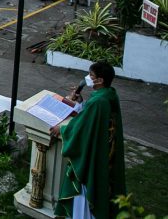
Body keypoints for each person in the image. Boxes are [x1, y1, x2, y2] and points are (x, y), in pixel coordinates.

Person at [50, 62, 126, 219]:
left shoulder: (98, 101)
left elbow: (82, 128)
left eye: (91, 75)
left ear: (100, 81)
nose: (87, 78)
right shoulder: (109, 94)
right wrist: (81, 102)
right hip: (104, 149)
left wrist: (62, 129)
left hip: (93, 156)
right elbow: (91, 119)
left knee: (84, 190)